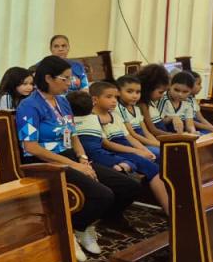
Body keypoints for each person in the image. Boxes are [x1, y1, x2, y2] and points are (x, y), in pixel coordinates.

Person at [16, 56, 140, 261]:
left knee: (129, 186)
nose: (69, 83)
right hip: (44, 162)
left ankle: (88, 223)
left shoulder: (63, 102)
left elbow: (73, 135)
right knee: (103, 194)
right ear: (48, 78)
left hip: (69, 156)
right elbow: (31, 146)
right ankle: (71, 229)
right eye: (64, 79)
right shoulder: (29, 106)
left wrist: (82, 159)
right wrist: (75, 165)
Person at [71, 84, 167, 214]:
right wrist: (137, 151)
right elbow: (107, 144)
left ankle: (161, 200)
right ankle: (168, 208)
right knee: (152, 168)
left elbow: (129, 137)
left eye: (116, 97)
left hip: (126, 147)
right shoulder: (92, 118)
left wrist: (144, 149)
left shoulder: (115, 115)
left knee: (154, 160)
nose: (114, 100)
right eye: (109, 97)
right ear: (95, 99)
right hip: (116, 149)